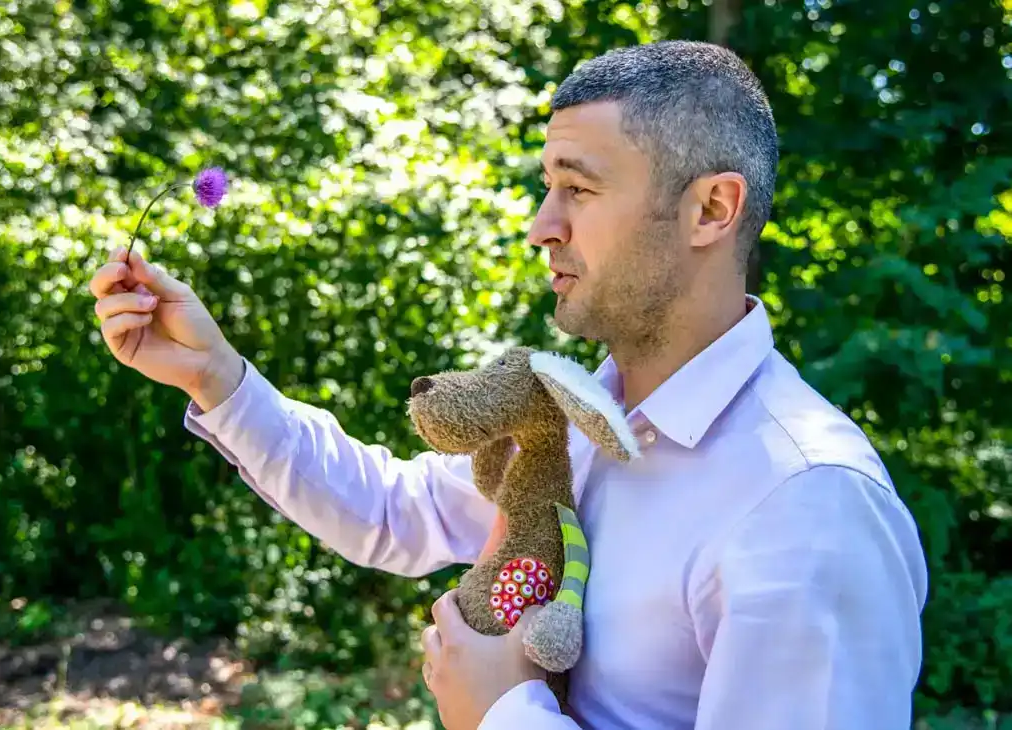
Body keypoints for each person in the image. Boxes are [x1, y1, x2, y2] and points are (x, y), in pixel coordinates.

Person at [89, 40, 928, 730]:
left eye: (578, 187)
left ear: (711, 209)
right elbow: (395, 512)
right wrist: (218, 379)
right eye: (545, 186)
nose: (540, 226)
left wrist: (502, 713)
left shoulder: (808, 508)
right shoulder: (570, 420)